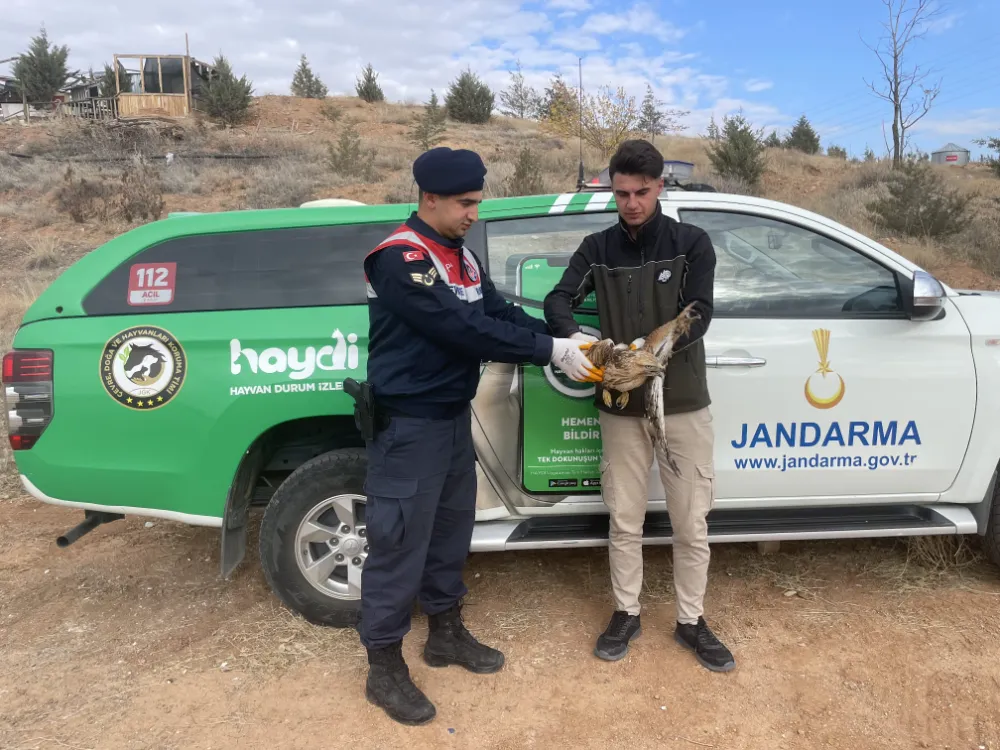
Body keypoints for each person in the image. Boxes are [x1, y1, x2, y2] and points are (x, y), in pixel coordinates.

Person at [358, 146, 603, 726]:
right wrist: (552, 352)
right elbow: (463, 329)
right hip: (409, 425)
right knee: (397, 545)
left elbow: (497, 314)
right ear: (431, 198)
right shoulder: (401, 258)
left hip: (448, 420)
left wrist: (567, 336)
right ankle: (384, 667)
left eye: (477, 202)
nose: (475, 213)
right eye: (466, 203)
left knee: (449, 533)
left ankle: (444, 633)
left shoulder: (459, 257)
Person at [542, 138, 735, 673]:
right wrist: (576, 344)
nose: (630, 203)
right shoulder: (596, 248)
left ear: (660, 187)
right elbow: (558, 300)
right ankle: (626, 612)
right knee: (624, 518)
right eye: (621, 192)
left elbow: (700, 311)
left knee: (691, 521)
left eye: (641, 192)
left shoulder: (691, 243)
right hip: (618, 403)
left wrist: (654, 352)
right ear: (611, 188)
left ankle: (691, 621)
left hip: (684, 402)